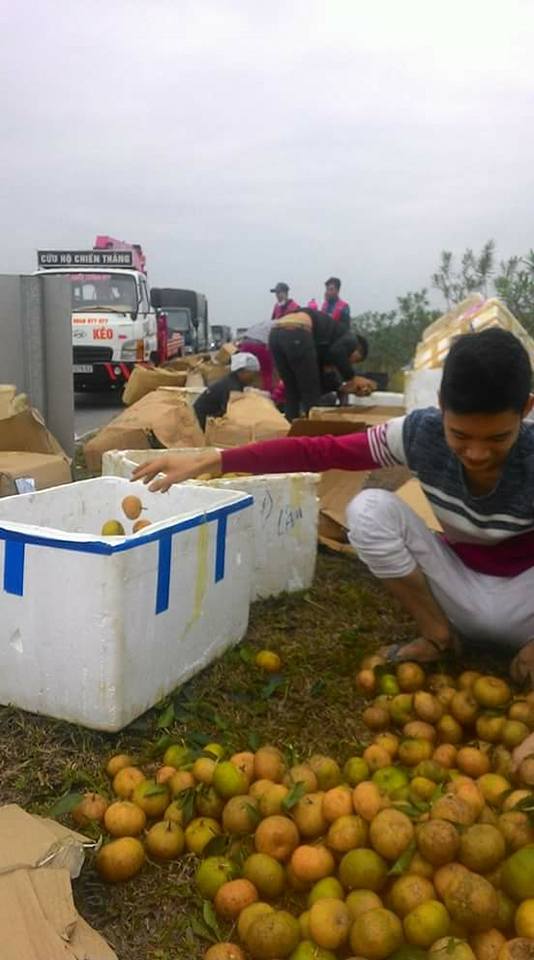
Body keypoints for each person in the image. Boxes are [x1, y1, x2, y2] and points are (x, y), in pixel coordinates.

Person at [134, 328, 534, 691]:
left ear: (527, 409)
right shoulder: (419, 434)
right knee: (368, 511)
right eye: (460, 435)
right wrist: (211, 460)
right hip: (460, 585)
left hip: (524, 600)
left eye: (498, 437)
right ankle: (438, 635)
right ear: (442, 406)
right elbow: (318, 450)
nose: (477, 453)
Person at [268, 307, 373, 420]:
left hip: (275, 333)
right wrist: (352, 377)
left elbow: (317, 378)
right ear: (358, 349)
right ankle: (312, 433)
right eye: (356, 360)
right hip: (297, 330)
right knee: (310, 395)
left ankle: (290, 427)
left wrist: (342, 388)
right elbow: (338, 353)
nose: (351, 362)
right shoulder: (351, 339)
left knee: (292, 391)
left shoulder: (324, 344)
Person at [193, 352, 260, 430]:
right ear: (241, 372)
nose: (255, 377)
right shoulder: (231, 387)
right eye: (253, 373)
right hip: (200, 422)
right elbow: (230, 414)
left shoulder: (232, 380)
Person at [238, 319, 275, 394]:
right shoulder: (282, 325)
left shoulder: (265, 323)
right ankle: (268, 394)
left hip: (245, 344)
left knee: (248, 371)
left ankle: (246, 391)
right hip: (260, 346)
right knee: (267, 371)